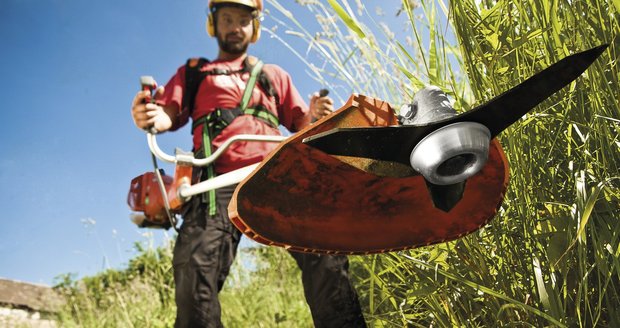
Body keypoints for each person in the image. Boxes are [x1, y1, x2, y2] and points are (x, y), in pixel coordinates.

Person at [130, 0, 367, 327]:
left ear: (253, 27)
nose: (234, 26)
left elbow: (302, 126)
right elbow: (166, 113)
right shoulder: (194, 74)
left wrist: (314, 116)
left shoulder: (274, 76)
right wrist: (152, 115)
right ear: (213, 24)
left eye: (242, 20)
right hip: (215, 183)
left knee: (326, 257)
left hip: (277, 174)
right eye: (226, 18)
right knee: (196, 271)